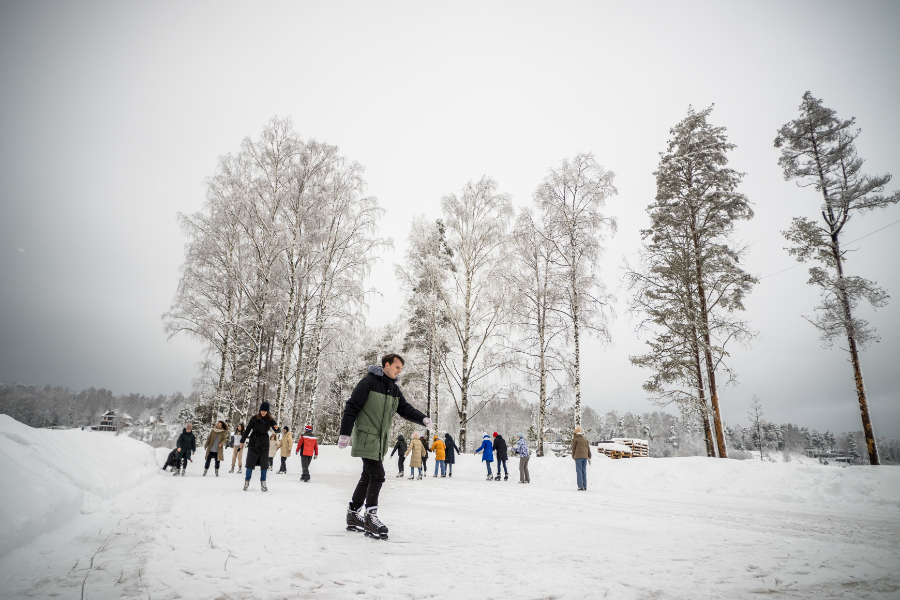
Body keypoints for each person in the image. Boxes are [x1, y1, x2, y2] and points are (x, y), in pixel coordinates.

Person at [338, 353, 430, 540]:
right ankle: (370, 517)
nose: (399, 371)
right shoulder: (368, 383)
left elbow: (404, 409)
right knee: (378, 474)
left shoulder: (393, 389)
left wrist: (422, 418)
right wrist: (345, 433)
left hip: (380, 441)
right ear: (386, 365)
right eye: (397, 367)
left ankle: (353, 513)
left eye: (401, 368)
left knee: (368, 475)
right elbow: (352, 407)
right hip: (366, 437)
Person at [239, 402, 280, 492]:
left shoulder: (270, 419)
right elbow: (247, 430)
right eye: (262, 410)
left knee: (264, 464)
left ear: (267, 411)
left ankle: (263, 483)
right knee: (250, 463)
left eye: (265, 411)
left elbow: (277, 429)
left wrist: (277, 428)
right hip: (254, 442)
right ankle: (246, 482)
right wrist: (242, 441)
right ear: (260, 410)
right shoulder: (254, 418)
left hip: (264, 444)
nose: (263, 412)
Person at [571, 426, 592, 491]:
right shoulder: (585, 440)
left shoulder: (575, 439)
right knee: (584, 471)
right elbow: (588, 449)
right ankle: (585, 486)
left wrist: (573, 456)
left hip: (578, 457)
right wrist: (589, 456)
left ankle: (580, 486)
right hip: (585, 457)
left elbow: (573, 448)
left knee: (579, 471)